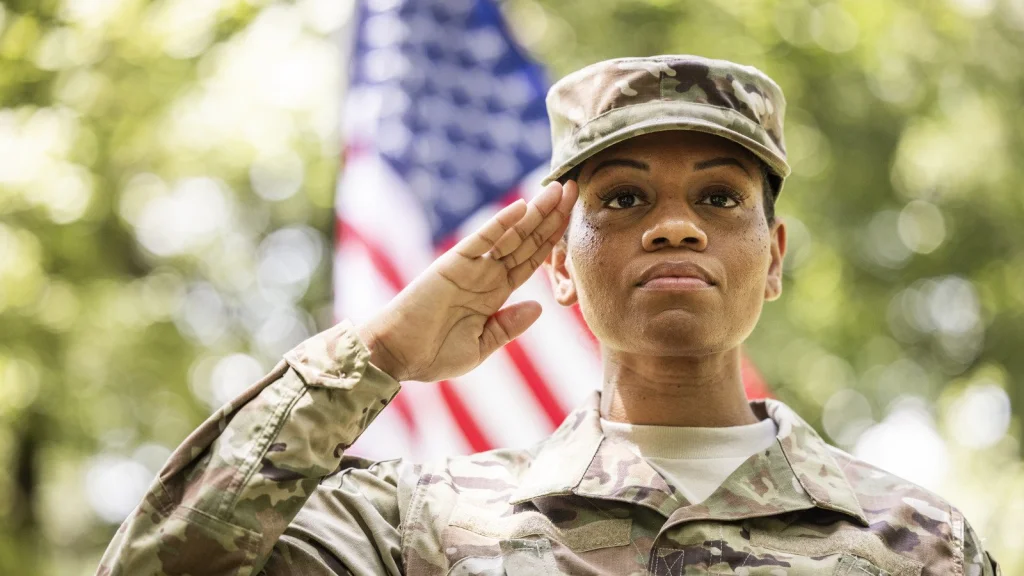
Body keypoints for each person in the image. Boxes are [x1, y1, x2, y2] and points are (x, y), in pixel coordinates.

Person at [96, 55, 1000, 576]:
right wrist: (377, 352)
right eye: (623, 199)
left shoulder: (913, 539)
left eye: (721, 199)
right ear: (561, 265)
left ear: (773, 258)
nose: (676, 227)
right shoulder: (419, 524)